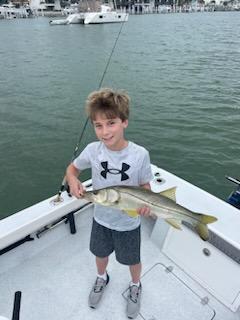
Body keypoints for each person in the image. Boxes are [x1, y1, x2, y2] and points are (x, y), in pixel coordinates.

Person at [66, 88, 153, 319]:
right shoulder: (93, 151)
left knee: (132, 260)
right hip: (101, 219)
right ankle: (102, 277)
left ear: (125, 122)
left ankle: (136, 284)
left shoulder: (140, 154)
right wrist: (73, 180)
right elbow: (72, 169)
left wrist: (146, 206)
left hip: (128, 223)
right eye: (98, 125)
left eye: (111, 123)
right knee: (100, 253)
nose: (104, 132)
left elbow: (145, 187)